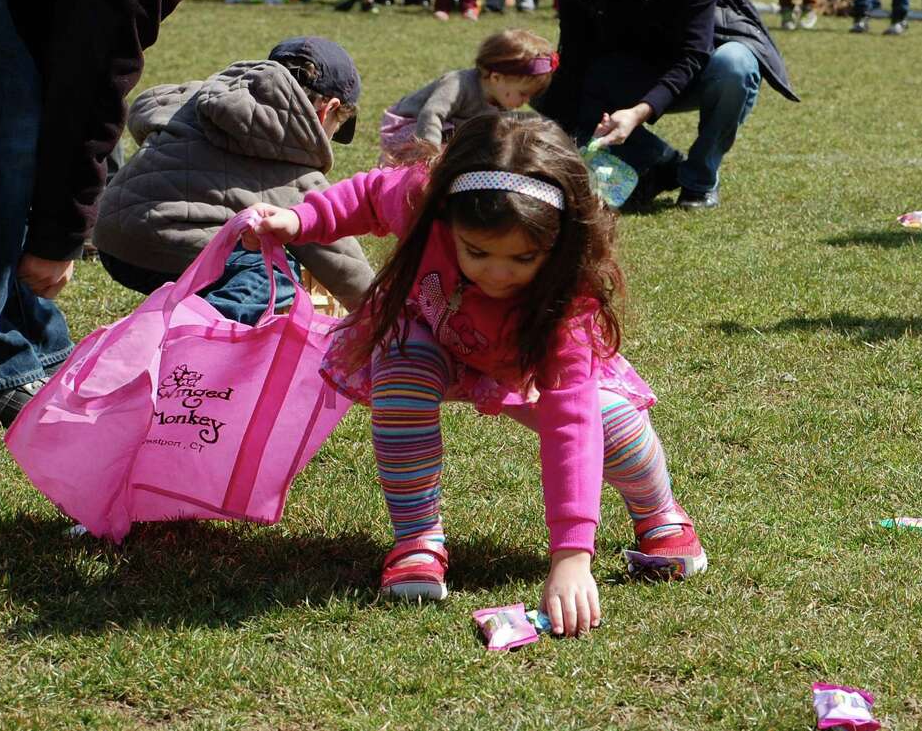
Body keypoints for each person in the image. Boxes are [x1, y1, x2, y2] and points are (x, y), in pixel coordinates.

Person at [0, 0, 387, 427]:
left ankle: (31, 348)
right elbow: (98, 70)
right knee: (9, 124)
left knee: (20, 97)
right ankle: (0, 358)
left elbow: (66, 38)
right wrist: (58, 234)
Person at [242, 112, 709, 632]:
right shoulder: (426, 200)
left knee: (610, 425)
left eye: (523, 257)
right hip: (432, 333)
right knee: (401, 381)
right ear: (447, 217)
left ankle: (660, 514)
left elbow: (571, 424)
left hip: (522, 359)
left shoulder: (566, 303)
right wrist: (301, 221)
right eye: (477, 251)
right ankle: (418, 539)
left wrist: (572, 555)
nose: (496, 273)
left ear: (560, 242)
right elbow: (371, 195)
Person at [535, 0, 794, 212]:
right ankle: (661, 164)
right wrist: (555, 142)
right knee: (539, 76)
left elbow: (695, 53)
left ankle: (699, 179)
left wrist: (638, 112)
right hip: (634, 65)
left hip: (701, 68)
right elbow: (574, 58)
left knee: (736, 65)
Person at [93, 37, 374, 322]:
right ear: (328, 110)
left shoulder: (202, 100)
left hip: (111, 236)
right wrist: (383, 313)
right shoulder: (293, 158)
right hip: (164, 246)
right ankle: (192, 343)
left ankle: (178, 320)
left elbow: (146, 110)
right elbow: (341, 263)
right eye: (335, 128)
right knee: (274, 277)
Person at [380, 30, 556, 157]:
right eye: (523, 93)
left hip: (448, 131)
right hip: (410, 127)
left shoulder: (501, 97)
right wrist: (430, 154)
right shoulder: (458, 84)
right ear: (496, 78)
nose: (525, 100)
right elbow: (431, 114)